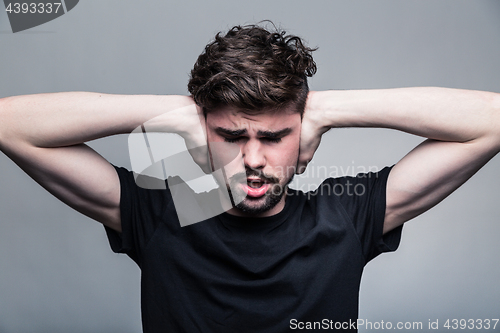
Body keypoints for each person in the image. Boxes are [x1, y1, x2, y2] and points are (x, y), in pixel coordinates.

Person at [0, 23, 498, 333]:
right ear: (203, 134)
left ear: (302, 136)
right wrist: (173, 113)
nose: (254, 158)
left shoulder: (347, 213)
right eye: (232, 136)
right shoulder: (156, 211)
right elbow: (9, 124)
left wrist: (329, 109)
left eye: (275, 135)